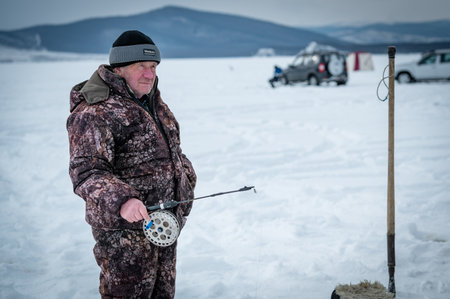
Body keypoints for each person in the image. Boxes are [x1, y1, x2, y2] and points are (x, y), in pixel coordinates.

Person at [67, 30, 197, 298]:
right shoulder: (95, 111)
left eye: (153, 66)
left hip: (163, 226)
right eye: (141, 67)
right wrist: (123, 200)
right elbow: (87, 173)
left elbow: (174, 151)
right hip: (123, 237)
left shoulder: (154, 104)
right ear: (120, 68)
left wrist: (186, 179)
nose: (149, 74)